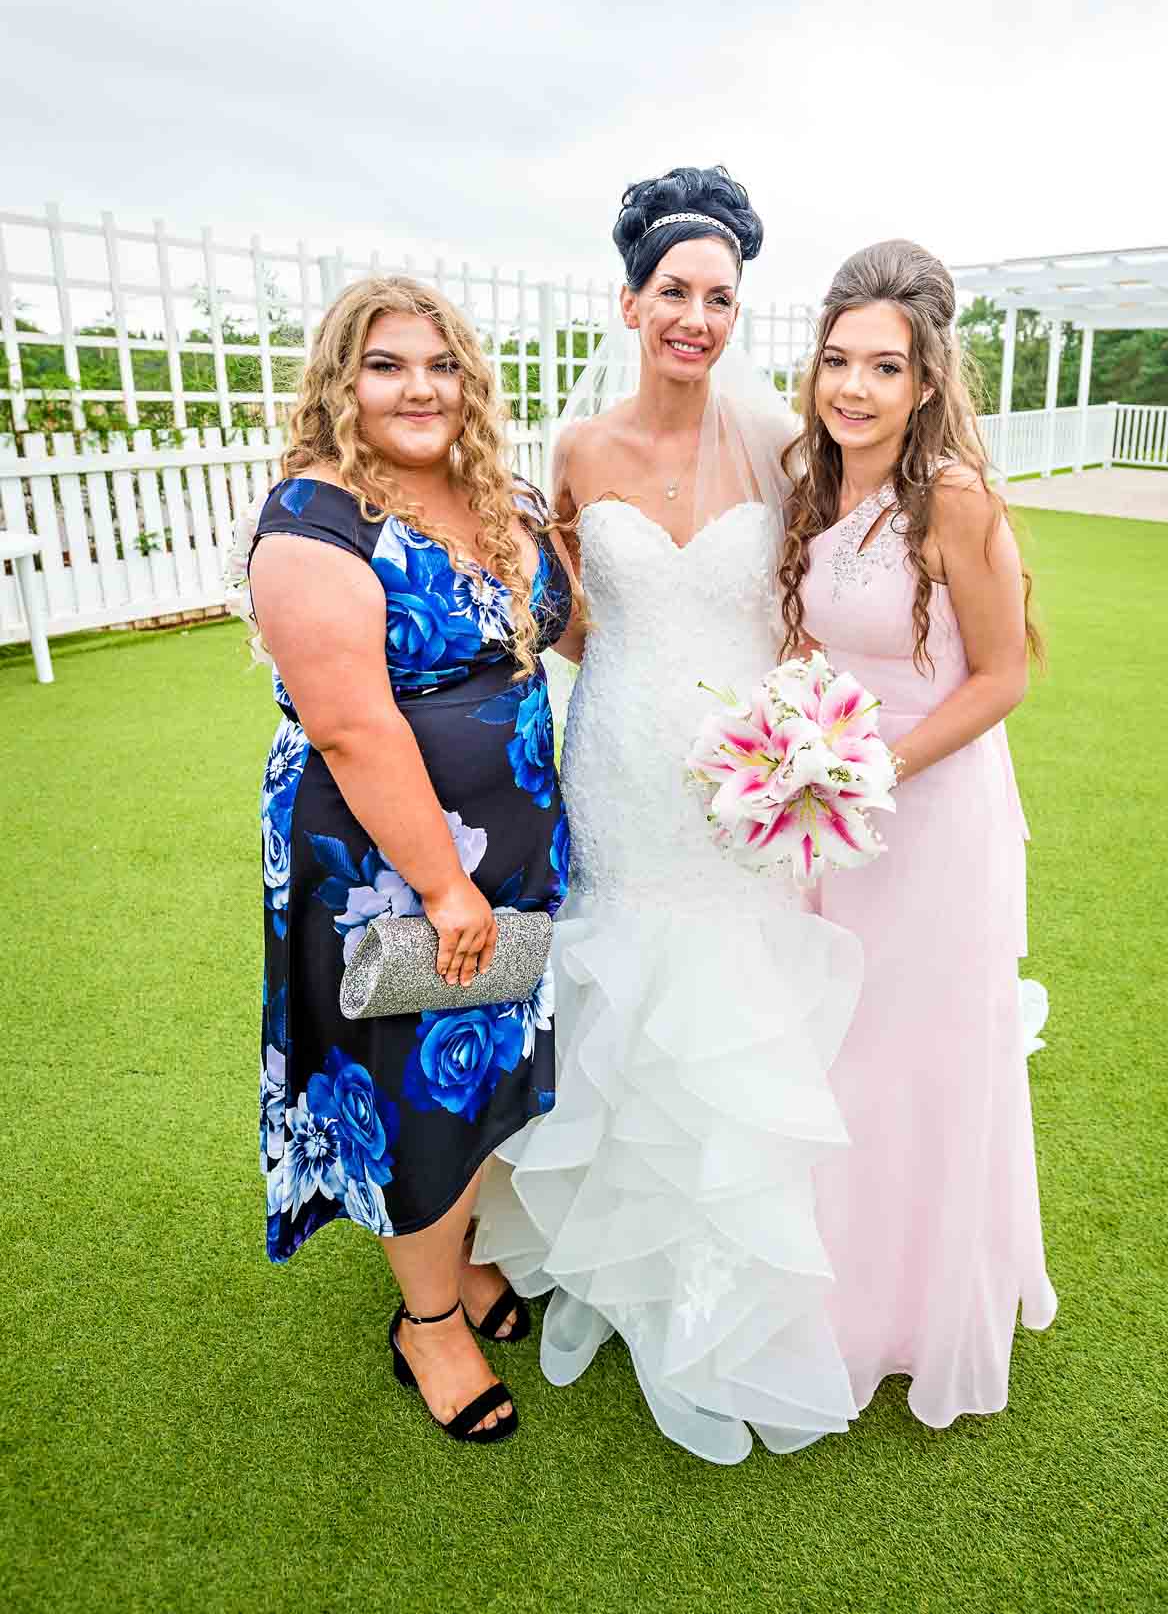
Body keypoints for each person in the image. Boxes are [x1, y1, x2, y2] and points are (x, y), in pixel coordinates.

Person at [474, 167, 865, 1465]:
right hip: (624, 758)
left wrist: (790, 736)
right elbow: (576, 615)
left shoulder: (782, 443)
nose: (695, 315)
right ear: (630, 302)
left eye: (719, 296)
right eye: (673, 292)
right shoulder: (580, 450)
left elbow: (812, 602)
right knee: (626, 983)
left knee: (731, 992)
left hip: (747, 771)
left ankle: (725, 1273)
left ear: (734, 309)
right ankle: (617, 1256)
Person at [248, 275, 577, 1446]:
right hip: (390, 868)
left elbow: (558, 629)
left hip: (516, 844)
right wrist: (443, 885)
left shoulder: (502, 495)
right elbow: (353, 727)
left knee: (484, 1072)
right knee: (416, 1089)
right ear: (342, 380)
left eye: (440, 363)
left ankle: (459, 1260)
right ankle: (426, 1320)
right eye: (386, 364)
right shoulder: (315, 524)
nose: (418, 387)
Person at [780, 238, 1057, 1429]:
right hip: (827, 807)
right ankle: (843, 1289)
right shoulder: (810, 479)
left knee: (921, 1048)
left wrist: (877, 768)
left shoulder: (954, 500)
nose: (852, 387)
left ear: (925, 381)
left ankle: (923, 1309)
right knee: (840, 1045)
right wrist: (795, 745)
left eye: (881, 367)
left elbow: (1003, 676)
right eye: (837, 359)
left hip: (931, 814)